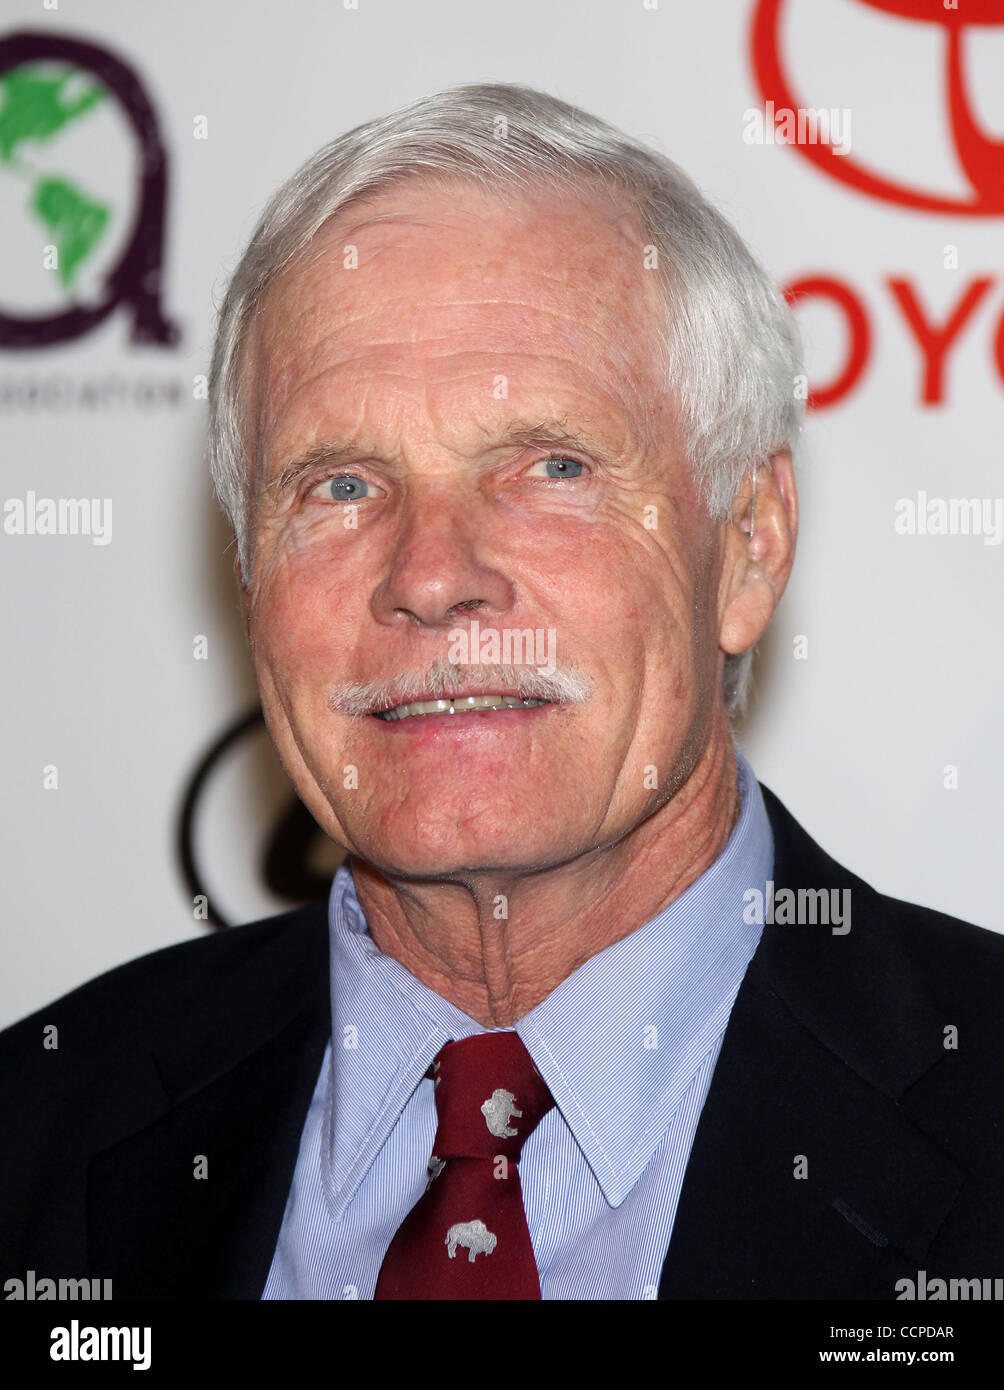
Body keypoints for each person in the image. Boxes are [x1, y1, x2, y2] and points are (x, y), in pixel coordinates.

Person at [2, 83, 1002, 1302]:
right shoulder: (38, 1128)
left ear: (746, 543)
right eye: (338, 486)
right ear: (248, 573)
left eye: (550, 465)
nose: (430, 577)